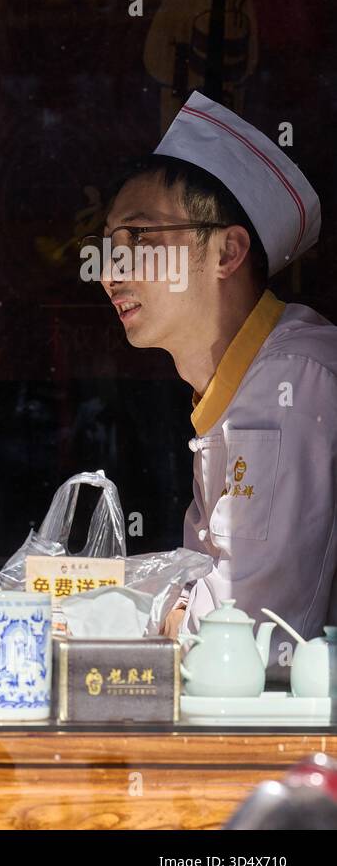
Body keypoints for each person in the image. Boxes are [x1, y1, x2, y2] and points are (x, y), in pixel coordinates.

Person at [92, 91, 335, 651]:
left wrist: (95, 607)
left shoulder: (293, 382)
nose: (110, 271)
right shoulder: (236, 385)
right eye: (107, 245)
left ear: (227, 253)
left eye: (141, 237)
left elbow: (247, 635)